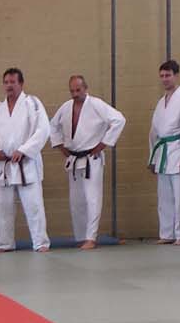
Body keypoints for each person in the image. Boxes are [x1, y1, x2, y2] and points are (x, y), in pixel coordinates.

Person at [48, 75, 126, 248]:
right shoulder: (66, 107)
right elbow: (52, 125)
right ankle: (81, 237)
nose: (75, 94)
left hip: (92, 159)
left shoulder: (96, 104)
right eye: (72, 91)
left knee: (92, 198)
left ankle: (91, 237)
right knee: (76, 201)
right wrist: (60, 146)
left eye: (78, 90)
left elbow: (119, 120)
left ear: (85, 88)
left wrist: (103, 144)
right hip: (74, 159)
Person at [0, 67, 50, 251]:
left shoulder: (32, 103)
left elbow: (43, 129)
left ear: (21, 84)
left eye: (13, 82)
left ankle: (41, 242)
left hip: (26, 163)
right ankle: (5, 244)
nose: (9, 86)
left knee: (34, 206)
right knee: (4, 208)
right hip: (4, 164)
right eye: (6, 82)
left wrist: (24, 150)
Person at [148, 59, 180, 245]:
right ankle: (167, 233)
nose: (165, 79)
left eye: (168, 75)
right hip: (163, 152)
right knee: (165, 197)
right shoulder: (161, 102)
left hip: (179, 150)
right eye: (162, 76)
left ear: (176, 75)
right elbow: (154, 131)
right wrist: (152, 157)